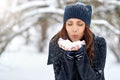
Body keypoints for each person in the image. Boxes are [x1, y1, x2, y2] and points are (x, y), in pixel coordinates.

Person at [47, 2, 107, 80]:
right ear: (65, 25)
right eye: (69, 24)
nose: (74, 29)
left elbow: (97, 78)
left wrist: (81, 56)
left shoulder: (98, 43)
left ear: (86, 26)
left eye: (80, 24)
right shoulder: (56, 43)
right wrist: (69, 57)